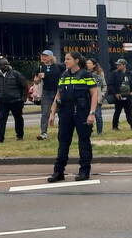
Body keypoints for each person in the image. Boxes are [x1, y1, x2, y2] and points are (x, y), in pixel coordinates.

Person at [47, 50, 98, 182]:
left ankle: (84, 171)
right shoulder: (63, 75)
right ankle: (58, 172)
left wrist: (92, 113)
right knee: (63, 142)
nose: (65, 61)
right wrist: (52, 113)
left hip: (82, 112)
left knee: (84, 142)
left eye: (68, 59)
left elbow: (94, 94)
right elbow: (58, 95)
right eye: (65, 59)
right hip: (65, 112)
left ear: (76, 60)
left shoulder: (86, 75)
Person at [0, 57, 27, 143]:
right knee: (1, 119)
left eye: (7, 64)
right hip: (1, 101)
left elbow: (24, 85)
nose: (6, 66)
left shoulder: (15, 74)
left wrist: (23, 99)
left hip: (16, 100)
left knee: (18, 118)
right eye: (4, 65)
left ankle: (20, 135)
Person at [34, 49, 63, 140]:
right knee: (45, 113)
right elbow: (36, 81)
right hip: (46, 92)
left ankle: (63, 131)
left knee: (62, 112)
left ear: (51, 57)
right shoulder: (40, 68)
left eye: (46, 56)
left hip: (59, 91)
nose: (43, 58)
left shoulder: (59, 67)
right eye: (42, 56)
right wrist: (38, 78)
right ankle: (43, 133)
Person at [109, 58, 132, 131]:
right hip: (119, 95)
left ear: (124, 65)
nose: (117, 66)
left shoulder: (130, 73)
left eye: (119, 65)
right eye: (117, 65)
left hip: (128, 96)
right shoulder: (114, 73)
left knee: (129, 112)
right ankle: (115, 126)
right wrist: (115, 93)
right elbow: (110, 84)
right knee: (117, 111)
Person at [85, 58, 107, 135]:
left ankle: (99, 131)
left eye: (89, 63)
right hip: (87, 97)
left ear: (94, 65)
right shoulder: (84, 73)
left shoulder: (99, 74)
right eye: (87, 63)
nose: (87, 65)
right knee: (86, 115)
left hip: (97, 97)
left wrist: (103, 94)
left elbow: (104, 85)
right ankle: (88, 131)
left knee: (98, 115)